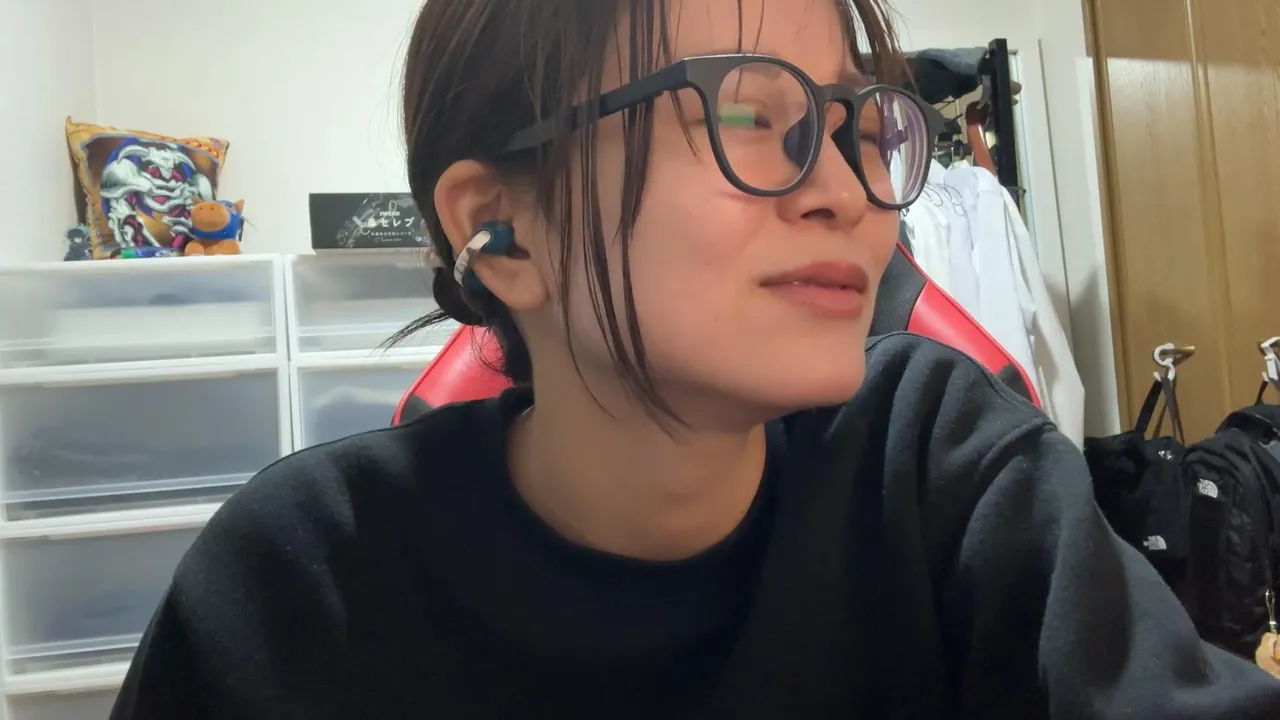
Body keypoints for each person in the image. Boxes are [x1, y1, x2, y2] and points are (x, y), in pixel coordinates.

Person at [111, 0, 1280, 717]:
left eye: (853, 125)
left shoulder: (935, 463)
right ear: (501, 230)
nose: (846, 195)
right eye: (742, 115)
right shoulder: (305, 581)